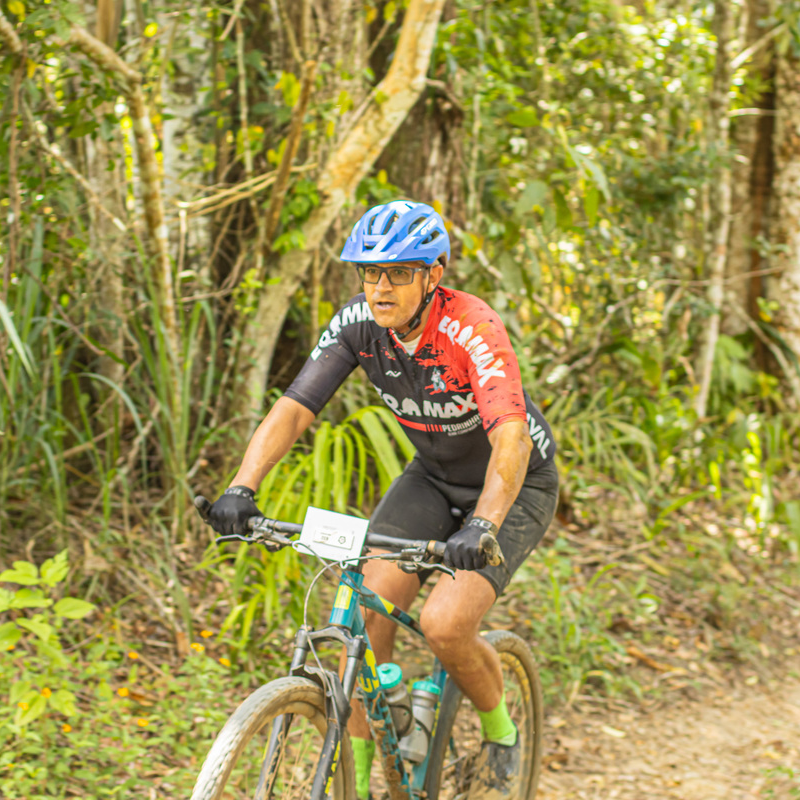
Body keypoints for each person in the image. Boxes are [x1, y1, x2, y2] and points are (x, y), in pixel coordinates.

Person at [206, 200, 558, 799]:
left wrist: (483, 525)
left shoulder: (472, 327)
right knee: (365, 613)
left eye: (398, 272)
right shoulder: (358, 325)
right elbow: (295, 407)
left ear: (433, 274)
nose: (381, 287)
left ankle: (502, 733)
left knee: (444, 624)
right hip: (433, 476)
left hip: (514, 484)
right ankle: (364, 780)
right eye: (370, 273)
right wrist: (243, 486)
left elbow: (510, 437)